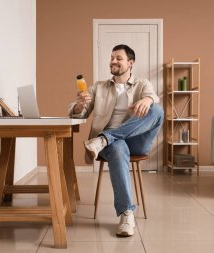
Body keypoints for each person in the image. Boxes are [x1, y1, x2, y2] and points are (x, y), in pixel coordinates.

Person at [68, 44, 164, 237]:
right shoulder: (99, 87)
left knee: (157, 110)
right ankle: (127, 213)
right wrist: (79, 106)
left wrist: (148, 100)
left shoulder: (142, 84)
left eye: (118, 58)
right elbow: (79, 114)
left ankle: (104, 139)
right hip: (112, 146)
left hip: (136, 139)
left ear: (131, 62)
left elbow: (154, 97)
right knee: (118, 147)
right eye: (112, 57)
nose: (113, 61)